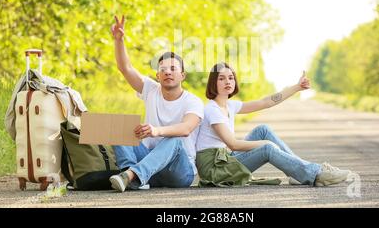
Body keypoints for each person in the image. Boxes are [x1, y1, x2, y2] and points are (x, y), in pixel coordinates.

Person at [195, 62, 351, 187]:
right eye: (221, 78)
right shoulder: (212, 109)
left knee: (263, 130)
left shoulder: (230, 105)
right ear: (213, 83)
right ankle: (315, 174)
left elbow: (266, 102)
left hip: (224, 160)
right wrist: (266, 144)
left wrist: (297, 87)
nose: (227, 81)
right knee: (267, 148)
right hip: (215, 170)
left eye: (230, 78)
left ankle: (298, 173)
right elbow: (233, 145)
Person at [109, 15, 204, 192]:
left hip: (179, 172)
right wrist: (119, 40)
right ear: (157, 76)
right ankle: (129, 177)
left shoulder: (193, 101)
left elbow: (186, 129)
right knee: (119, 126)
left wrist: (155, 130)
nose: (168, 72)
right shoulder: (151, 90)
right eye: (163, 70)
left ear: (182, 75)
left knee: (174, 141)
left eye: (173, 69)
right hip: (150, 166)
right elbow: (125, 68)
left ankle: (132, 175)